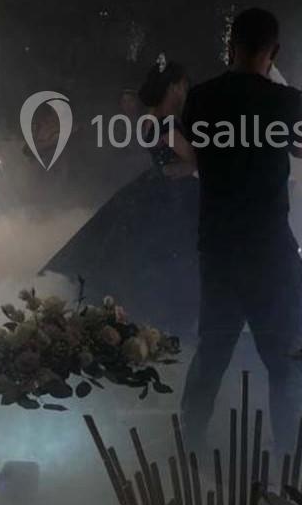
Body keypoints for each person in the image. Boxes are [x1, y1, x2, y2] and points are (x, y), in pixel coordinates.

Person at [179, 8, 302, 452]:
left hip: (218, 250)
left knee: (210, 357)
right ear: (272, 51)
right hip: (272, 252)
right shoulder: (287, 100)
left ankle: (189, 449)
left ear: (230, 45)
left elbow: (188, 155)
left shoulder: (201, 97)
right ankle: (291, 461)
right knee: (287, 364)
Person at [39, 58, 200, 337]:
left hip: (158, 187)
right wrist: (190, 165)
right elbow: (194, 158)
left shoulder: (153, 119)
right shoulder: (165, 124)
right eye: (183, 85)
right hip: (172, 196)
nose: (186, 91)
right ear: (173, 87)